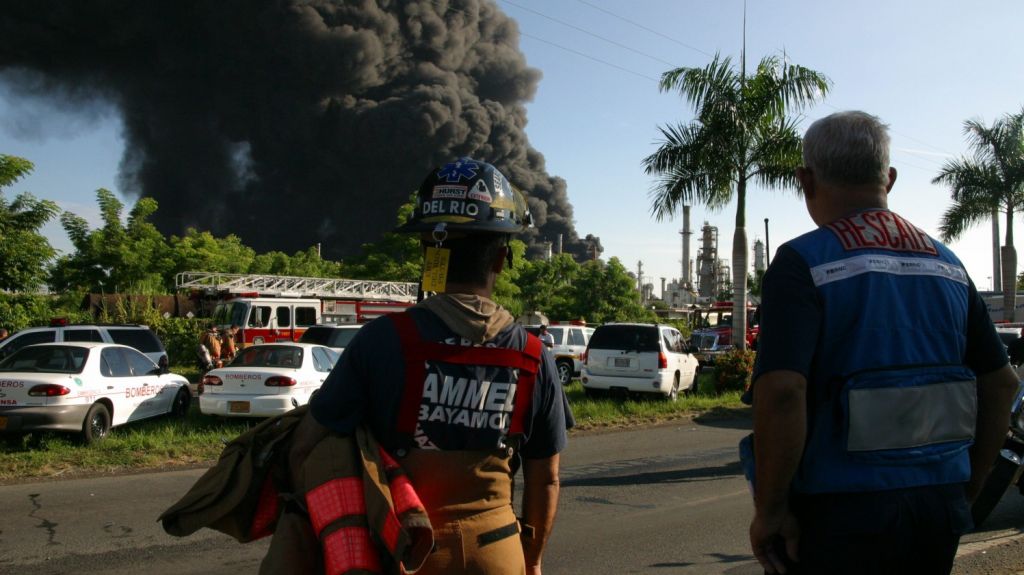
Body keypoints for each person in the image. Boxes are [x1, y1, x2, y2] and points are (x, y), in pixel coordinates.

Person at [746, 111, 1019, 574]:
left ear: (806, 180)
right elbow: (1002, 384)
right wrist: (968, 486)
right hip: (938, 508)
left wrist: (771, 511)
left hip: (840, 516)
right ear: (888, 180)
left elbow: (783, 391)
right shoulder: (948, 264)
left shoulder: (802, 263)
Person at [310, 157, 572, 575]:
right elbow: (546, 478)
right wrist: (533, 562)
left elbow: (324, 435)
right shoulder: (533, 355)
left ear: (429, 251)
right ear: (501, 260)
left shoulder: (381, 340)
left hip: (408, 553)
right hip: (500, 555)